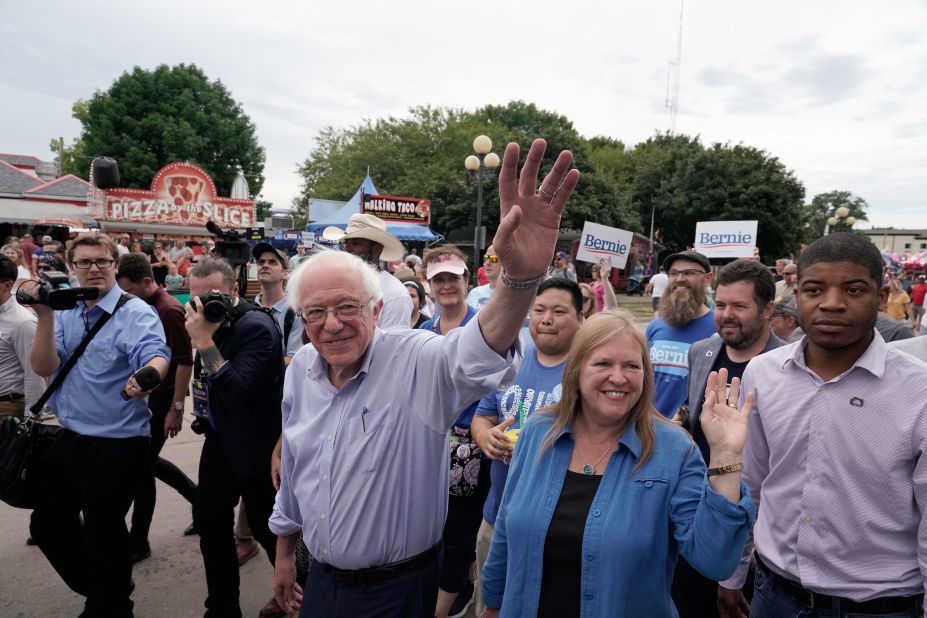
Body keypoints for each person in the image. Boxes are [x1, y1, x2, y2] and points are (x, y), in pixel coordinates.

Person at [270, 138, 581, 618]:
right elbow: (297, 469)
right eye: (316, 312)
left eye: (347, 307)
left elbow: (477, 351)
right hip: (320, 582)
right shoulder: (301, 376)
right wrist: (285, 553)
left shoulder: (412, 359)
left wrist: (521, 280)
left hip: (396, 593)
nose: (331, 324)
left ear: (377, 310)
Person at [480, 310, 756, 617]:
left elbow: (714, 559)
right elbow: (505, 526)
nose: (618, 377)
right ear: (576, 370)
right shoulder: (538, 431)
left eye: (631, 366)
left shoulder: (674, 449)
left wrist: (725, 457)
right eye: (602, 363)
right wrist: (492, 603)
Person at [719, 232, 927, 618]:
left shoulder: (920, 392)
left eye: (853, 290)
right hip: (773, 596)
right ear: (796, 295)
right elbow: (753, 484)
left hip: (881, 609)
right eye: (814, 290)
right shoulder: (762, 375)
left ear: (881, 298)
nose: (832, 304)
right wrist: (734, 574)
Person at [26, 232, 170, 617]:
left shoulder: (135, 312)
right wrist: (44, 316)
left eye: (102, 262)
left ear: (114, 266)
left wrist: (147, 377)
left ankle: (110, 604)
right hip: (70, 436)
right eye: (85, 262)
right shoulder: (65, 311)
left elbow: (156, 355)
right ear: (71, 268)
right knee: (47, 524)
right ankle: (106, 587)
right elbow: (43, 366)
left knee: (104, 531)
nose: (94, 269)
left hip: (118, 444)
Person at [671, 258, 784, 618]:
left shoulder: (787, 365)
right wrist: (680, 422)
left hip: (752, 530)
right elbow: (692, 412)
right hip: (696, 514)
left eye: (739, 306)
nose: (726, 315)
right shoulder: (702, 352)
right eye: (720, 305)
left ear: (767, 309)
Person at [470, 277, 585, 617]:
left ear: (581, 317)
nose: (547, 319)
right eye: (539, 310)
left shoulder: (586, 371)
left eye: (559, 311)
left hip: (555, 524)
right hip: (497, 514)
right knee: (489, 603)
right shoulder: (513, 359)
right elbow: (483, 415)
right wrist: (485, 438)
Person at [186, 257, 285, 617]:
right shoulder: (207, 322)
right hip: (219, 440)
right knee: (210, 522)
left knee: (268, 527)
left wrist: (203, 341)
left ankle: (297, 595)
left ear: (234, 291)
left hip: (258, 448)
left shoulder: (256, 327)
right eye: (195, 299)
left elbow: (237, 389)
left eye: (212, 296)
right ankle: (222, 607)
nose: (202, 306)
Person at [418, 245, 487, 618]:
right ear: (428, 285)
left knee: (459, 529)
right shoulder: (422, 332)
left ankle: (445, 605)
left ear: (465, 279)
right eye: (438, 279)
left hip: (471, 446)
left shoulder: (484, 327)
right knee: (433, 525)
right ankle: (457, 580)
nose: (446, 285)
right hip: (429, 444)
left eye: (452, 277)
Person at [115, 254, 198, 564]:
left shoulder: (169, 311)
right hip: (148, 399)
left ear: (147, 282)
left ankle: (138, 541)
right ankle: (198, 499)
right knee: (145, 464)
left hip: (162, 401)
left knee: (141, 469)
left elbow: (184, 362)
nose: (126, 300)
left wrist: (176, 408)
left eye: (130, 292)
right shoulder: (147, 307)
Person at [646, 251, 717, 417]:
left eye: (689, 273)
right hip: (648, 431)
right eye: (673, 273)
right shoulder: (654, 327)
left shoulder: (720, 329)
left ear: (708, 279)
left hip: (695, 437)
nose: (679, 279)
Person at [323, 213, 413, 329]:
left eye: (356, 243)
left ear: (376, 249)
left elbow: (392, 344)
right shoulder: (341, 282)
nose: (347, 249)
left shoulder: (395, 294)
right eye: (346, 243)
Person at [0, 255, 44, 419]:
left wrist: (31, 417)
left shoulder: (22, 322)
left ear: (8, 285)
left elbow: (34, 373)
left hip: (7, 407)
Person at [252, 242, 304, 363]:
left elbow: (294, 359)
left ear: (285, 273)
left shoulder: (294, 312)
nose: (265, 265)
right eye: (261, 262)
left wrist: (252, 363)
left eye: (272, 262)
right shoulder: (248, 309)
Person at [467, 245, 501, 310]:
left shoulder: (518, 294)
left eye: (494, 259)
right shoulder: (475, 293)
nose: (487, 263)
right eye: (486, 258)